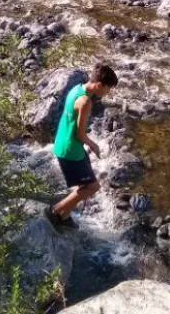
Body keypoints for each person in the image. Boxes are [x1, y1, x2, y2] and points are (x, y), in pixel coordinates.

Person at [46, 63, 119, 229]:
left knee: (83, 185)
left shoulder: (76, 89)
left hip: (65, 144)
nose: (108, 93)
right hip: (71, 150)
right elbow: (80, 134)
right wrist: (94, 145)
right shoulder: (85, 102)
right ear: (99, 85)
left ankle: (65, 215)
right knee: (93, 187)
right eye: (108, 89)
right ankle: (56, 211)